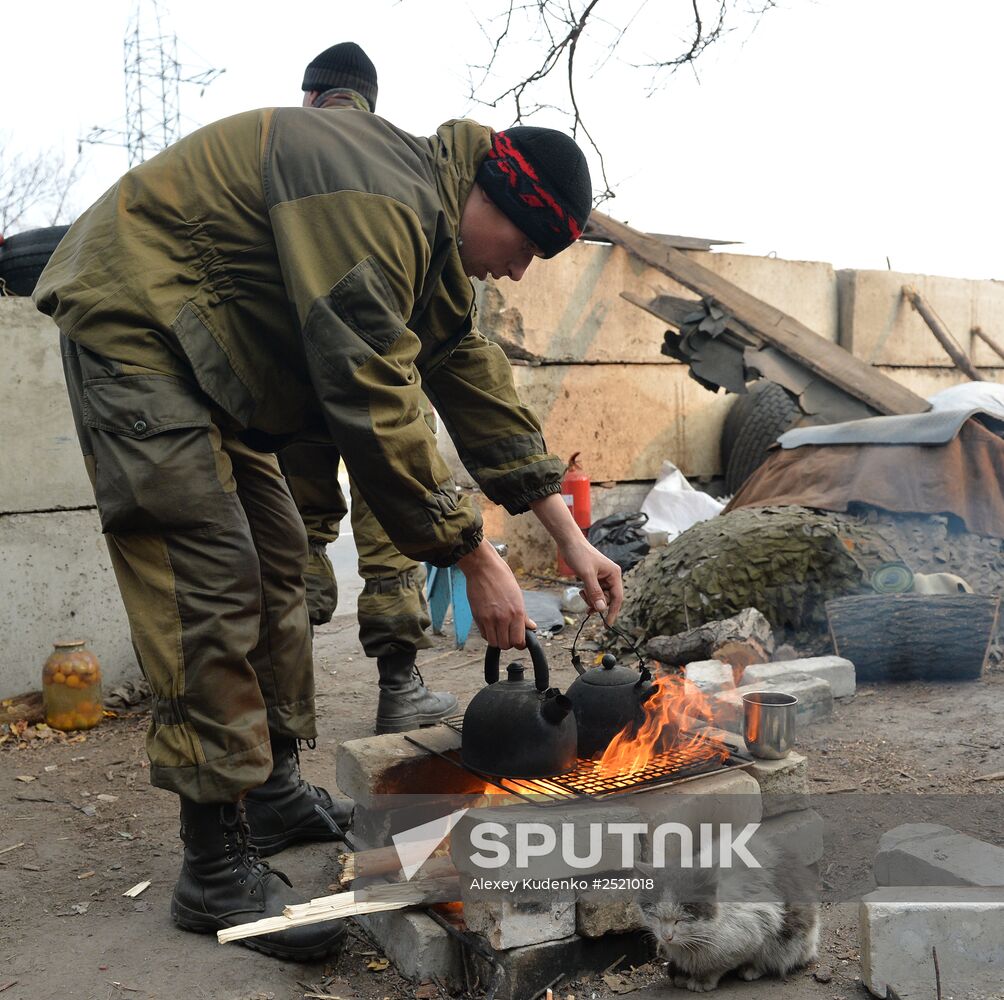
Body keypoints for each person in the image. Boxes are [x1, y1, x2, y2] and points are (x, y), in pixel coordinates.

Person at [35, 107, 623, 960]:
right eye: (526, 247)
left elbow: (468, 376)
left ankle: (269, 792)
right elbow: (371, 393)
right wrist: (471, 551)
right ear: (494, 194)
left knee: (280, 564)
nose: (521, 273)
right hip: (138, 326)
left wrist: (566, 533)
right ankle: (213, 869)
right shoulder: (381, 200)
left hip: (207, 361)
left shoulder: (433, 232)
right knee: (212, 580)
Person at [279, 41, 458, 734]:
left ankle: (285, 718)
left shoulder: (285, 138)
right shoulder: (399, 153)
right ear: (366, 100)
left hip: (294, 369)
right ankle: (398, 683)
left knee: (297, 529)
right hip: (383, 364)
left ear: (315, 94)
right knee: (392, 515)